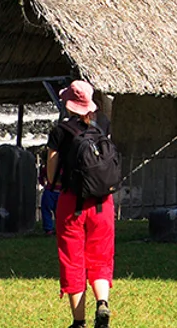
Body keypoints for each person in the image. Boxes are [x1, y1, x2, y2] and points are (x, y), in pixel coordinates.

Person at [46, 80, 115, 328]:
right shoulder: (103, 124)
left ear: (68, 103)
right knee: (101, 258)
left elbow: (52, 168)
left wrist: (51, 182)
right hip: (103, 202)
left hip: (72, 203)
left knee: (73, 260)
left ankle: (79, 322)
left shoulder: (60, 131)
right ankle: (102, 303)